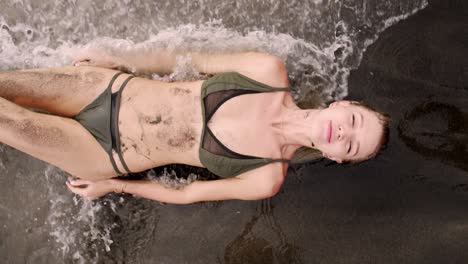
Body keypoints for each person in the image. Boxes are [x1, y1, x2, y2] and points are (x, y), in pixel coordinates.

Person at [0, 47, 389, 203]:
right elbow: (187, 57)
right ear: (344, 104)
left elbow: (187, 195)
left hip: (107, 153)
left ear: (336, 158)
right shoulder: (268, 71)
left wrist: (112, 186)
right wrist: (117, 57)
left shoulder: (265, 178)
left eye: (352, 145)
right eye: (353, 121)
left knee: (8, 120)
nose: (344, 133)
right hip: (108, 88)